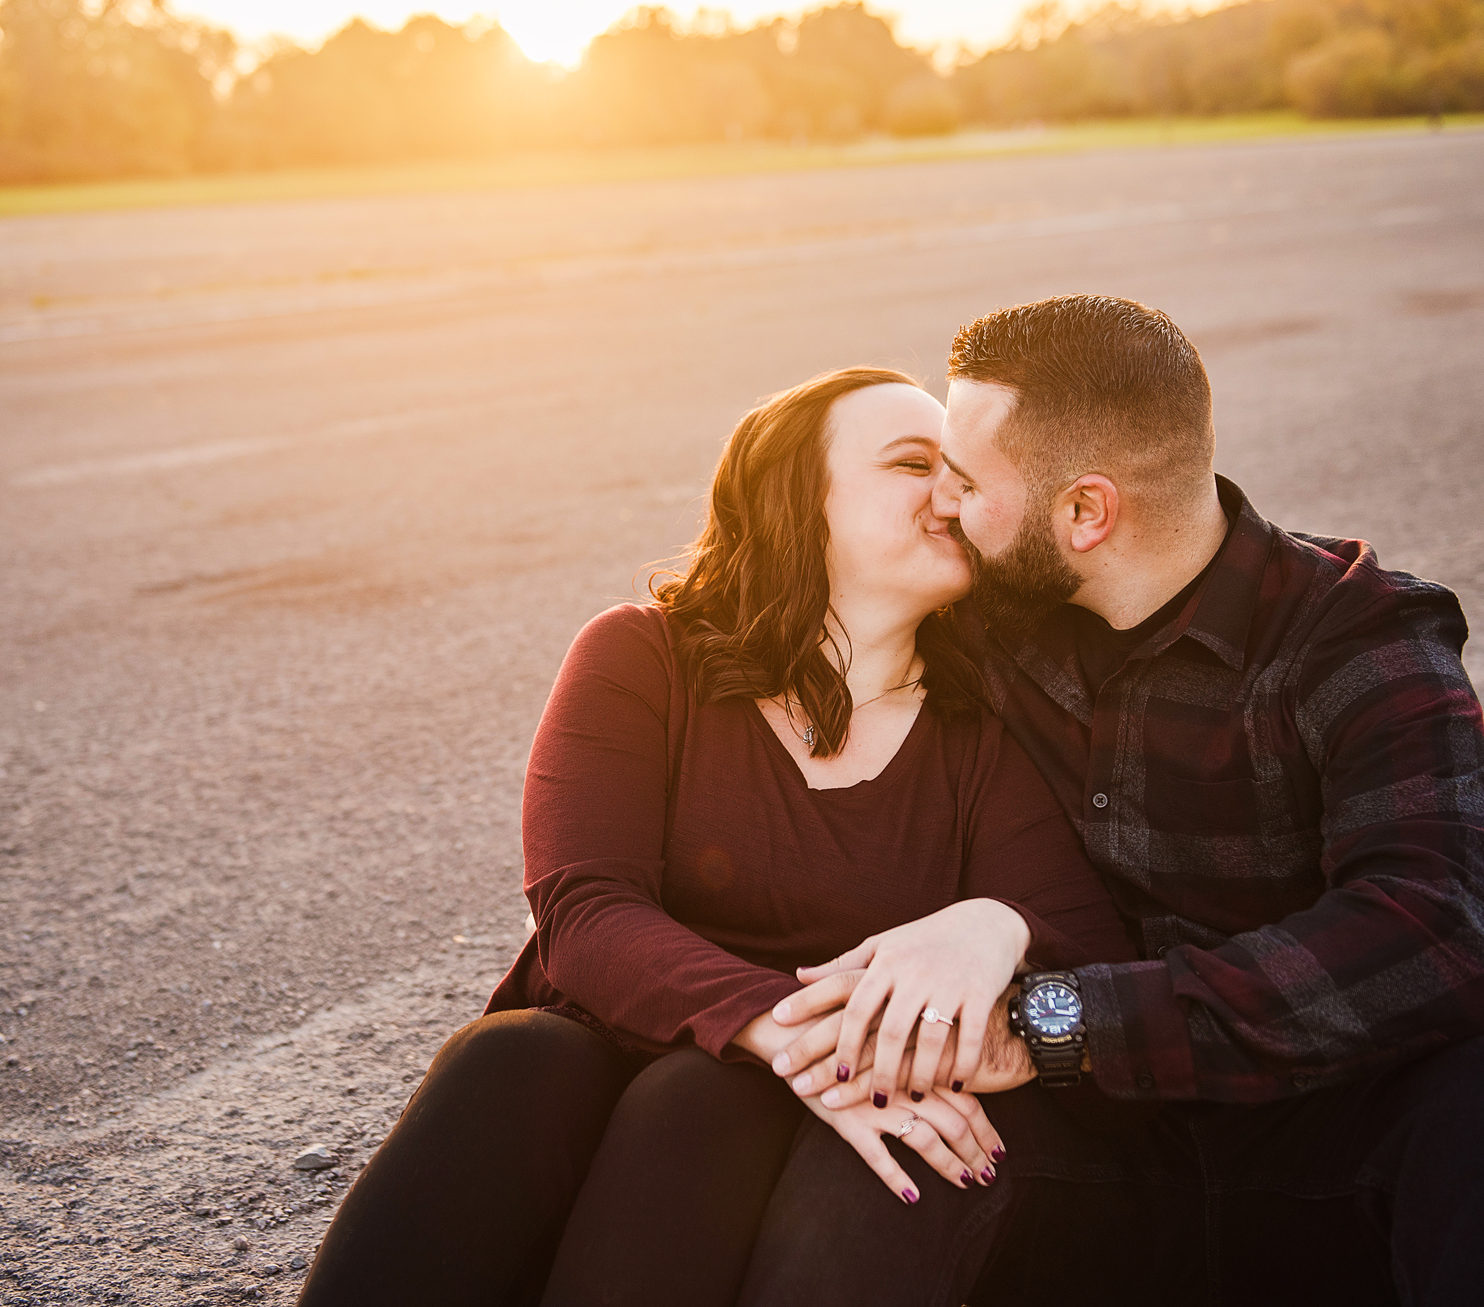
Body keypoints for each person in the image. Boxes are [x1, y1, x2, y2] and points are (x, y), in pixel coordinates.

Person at [750, 296, 1484, 1305]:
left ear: (1084, 512)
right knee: (888, 1130)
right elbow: (789, 615)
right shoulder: (983, 618)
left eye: (965, 479)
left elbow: (1437, 934)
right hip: (1076, 1150)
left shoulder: (1356, 637)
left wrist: (1060, 1022)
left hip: (1318, 1134)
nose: (945, 505)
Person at [294, 367, 1136, 1307]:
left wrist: (991, 921)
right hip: (604, 1075)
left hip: (782, 1143)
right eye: (912, 463)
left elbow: (1088, 958)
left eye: (965, 476)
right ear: (793, 497)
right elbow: (584, 912)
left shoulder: (980, 735)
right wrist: (792, 1036)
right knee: (516, 1056)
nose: (952, 492)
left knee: (707, 1097)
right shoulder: (642, 657)